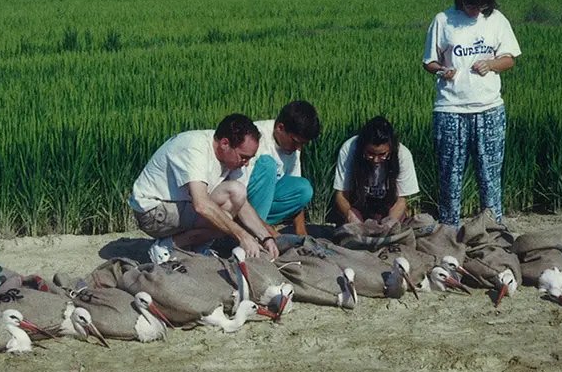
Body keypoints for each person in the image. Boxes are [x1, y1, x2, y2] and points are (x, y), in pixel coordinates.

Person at [422, 0, 521, 226]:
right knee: (450, 178)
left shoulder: (497, 20)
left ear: (488, 0)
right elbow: (429, 61)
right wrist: (442, 70)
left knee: (489, 177)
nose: (474, 9)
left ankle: (494, 231)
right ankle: (449, 232)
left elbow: (509, 59)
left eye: (480, 4)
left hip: (489, 109)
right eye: (469, 3)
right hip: (450, 109)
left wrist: (491, 64)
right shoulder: (443, 20)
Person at [129, 114, 280, 263]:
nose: (246, 163)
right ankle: (166, 247)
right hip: (153, 211)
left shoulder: (232, 159)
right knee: (224, 219)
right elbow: (201, 205)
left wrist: (265, 237)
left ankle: (197, 248)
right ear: (225, 143)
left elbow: (242, 204)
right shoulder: (195, 147)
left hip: (180, 205)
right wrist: (242, 235)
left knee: (237, 193)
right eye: (243, 157)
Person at [235, 101, 321, 236]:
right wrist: (271, 234)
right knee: (268, 165)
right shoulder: (255, 140)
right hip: (240, 204)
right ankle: (253, 230)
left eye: (303, 144)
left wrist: (301, 232)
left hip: (262, 205)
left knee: (303, 189)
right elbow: (237, 196)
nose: (299, 148)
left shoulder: (292, 147)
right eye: (296, 142)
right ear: (280, 128)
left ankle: (259, 226)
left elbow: (294, 182)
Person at [333, 116, 419, 223]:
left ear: (391, 148)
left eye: (382, 154)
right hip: (358, 204)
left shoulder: (403, 154)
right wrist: (351, 216)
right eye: (370, 153)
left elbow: (401, 200)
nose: (376, 160)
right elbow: (341, 194)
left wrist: (389, 224)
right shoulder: (349, 148)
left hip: (387, 206)